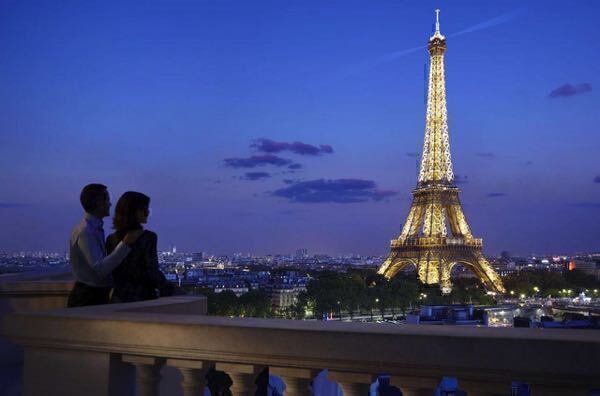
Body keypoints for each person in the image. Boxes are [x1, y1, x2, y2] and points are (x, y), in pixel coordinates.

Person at [68, 184, 142, 307]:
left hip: (93, 295)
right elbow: (100, 269)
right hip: (88, 298)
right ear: (98, 202)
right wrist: (125, 244)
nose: (110, 204)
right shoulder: (86, 231)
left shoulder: (91, 229)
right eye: (107, 199)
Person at [106, 191, 173, 303]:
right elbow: (151, 271)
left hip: (118, 298)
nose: (147, 212)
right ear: (132, 212)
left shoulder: (111, 239)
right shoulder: (147, 237)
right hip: (142, 298)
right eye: (144, 209)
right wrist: (170, 289)